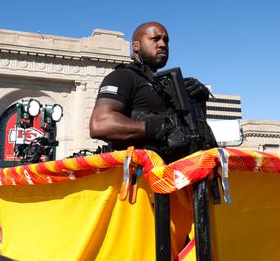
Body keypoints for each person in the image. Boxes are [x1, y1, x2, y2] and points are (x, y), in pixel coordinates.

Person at [89, 21, 213, 163]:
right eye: (155, 39)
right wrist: (155, 127)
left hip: (182, 174)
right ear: (136, 46)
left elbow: (191, 134)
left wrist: (199, 101)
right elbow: (100, 124)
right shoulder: (122, 77)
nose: (163, 44)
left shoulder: (167, 86)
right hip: (141, 179)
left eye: (166, 40)